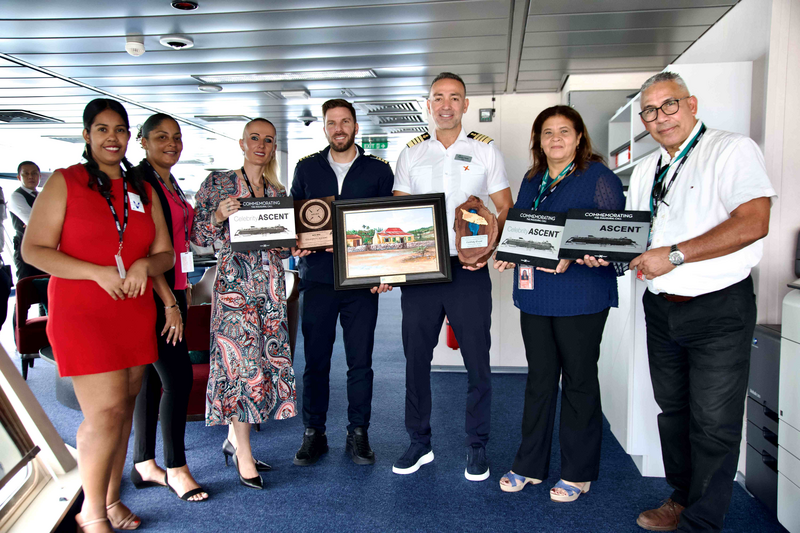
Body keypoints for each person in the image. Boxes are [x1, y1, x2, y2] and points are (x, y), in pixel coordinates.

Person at [585, 72, 775, 532]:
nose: (658, 118)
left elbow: (754, 221)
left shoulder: (731, 150)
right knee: (673, 412)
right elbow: (636, 237)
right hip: (663, 307)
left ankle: (702, 522)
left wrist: (675, 255)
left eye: (667, 105)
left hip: (718, 307)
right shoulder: (650, 167)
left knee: (713, 420)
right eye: (649, 111)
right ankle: (681, 498)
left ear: (691, 104)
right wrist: (601, 253)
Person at [22, 98, 174, 532]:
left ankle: (108, 500)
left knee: (124, 409)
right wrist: (96, 274)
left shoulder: (142, 190)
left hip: (133, 310)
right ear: (87, 135)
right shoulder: (64, 182)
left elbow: (163, 253)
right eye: (103, 129)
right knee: (104, 412)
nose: (113, 138)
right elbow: (33, 250)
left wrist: (145, 266)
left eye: (120, 130)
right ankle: (90, 513)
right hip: (83, 312)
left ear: (130, 138)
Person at [493, 106, 625, 502]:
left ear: (580, 137)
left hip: (581, 296)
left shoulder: (599, 178)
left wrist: (578, 248)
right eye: (547, 132)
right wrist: (509, 250)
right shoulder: (533, 178)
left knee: (579, 382)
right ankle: (530, 465)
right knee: (539, 380)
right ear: (538, 141)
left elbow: (614, 238)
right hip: (535, 295)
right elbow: (525, 229)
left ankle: (577, 472)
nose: (555, 139)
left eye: (564, 131)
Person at [390, 72, 513, 480]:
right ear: (428, 104)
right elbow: (399, 214)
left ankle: (477, 445)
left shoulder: (485, 151)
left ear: (465, 105)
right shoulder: (411, 154)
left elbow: (505, 209)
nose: (446, 104)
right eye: (438, 97)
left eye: (454, 97)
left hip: (468, 269)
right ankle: (419, 442)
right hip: (422, 270)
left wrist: (489, 249)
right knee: (415, 361)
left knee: (478, 361)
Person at [192, 117, 297, 491]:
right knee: (241, 365)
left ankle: (236, 442)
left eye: (268, 140)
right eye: (255, 138)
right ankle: (245, 455)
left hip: (269, 287)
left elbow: (284, 248)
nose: (261, 145)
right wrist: (218, 214)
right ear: (241, 142)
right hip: (234, 287)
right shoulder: (218, 183)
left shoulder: (276, 190)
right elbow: (197, 235)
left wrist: (294, 242)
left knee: (263, 366)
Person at [289, 98, 394, 466]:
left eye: (345, 121)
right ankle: (313, 433)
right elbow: (295, 222)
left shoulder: (377, 170)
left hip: (362, 282)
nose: (339, 128)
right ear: (324, 128)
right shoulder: (306, 169)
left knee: (360, 361)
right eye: (332, 122)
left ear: (355, 127)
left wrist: (386, 272)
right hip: (317, 279)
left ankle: (358, 433)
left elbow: (385, 225)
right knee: (315, 361)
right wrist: (294, 242)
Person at [130, 114, 207, 501]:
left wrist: (185, 285)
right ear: (142, 141)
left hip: (174, 288)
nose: (172, 143)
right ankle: (176, 467)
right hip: (154, 295)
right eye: (161, 137)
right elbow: (146, 250)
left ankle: (144, 463)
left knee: (150, 379)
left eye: (176, 137)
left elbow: (178, 244)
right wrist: (169, 302)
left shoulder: (168, 181)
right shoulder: (142, 183)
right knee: (176, 380)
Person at [9, 161, 46, 280]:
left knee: (45, 284)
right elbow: (33, 222)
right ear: (19, 177)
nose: (31, 176)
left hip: (45, 248)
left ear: (40, 177)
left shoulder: (43, 196)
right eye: (26, 174)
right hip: (25, 248)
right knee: (28, 287)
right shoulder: (16, 196)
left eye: (34, 173)